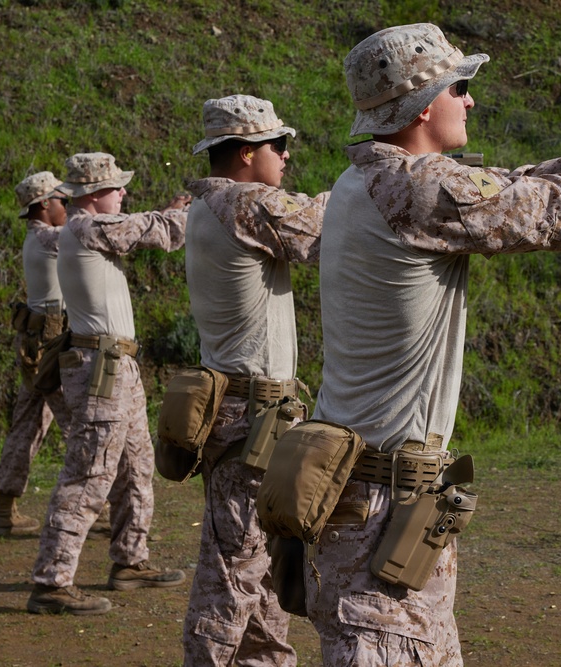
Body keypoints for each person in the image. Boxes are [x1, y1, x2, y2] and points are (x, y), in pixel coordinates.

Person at [305, 23, 561, 664]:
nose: (470, 100)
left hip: (381, 498)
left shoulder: (371, 180)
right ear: (424, 106)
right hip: (382, 509)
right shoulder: (419, 189)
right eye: (460, 87)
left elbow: (526, 179)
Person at [181, 94, 327, 666]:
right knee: (234, 572)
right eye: (278, 145)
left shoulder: (208, 205)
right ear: (245, 154)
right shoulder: (246, 204)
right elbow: (335, 226)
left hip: (248, 410)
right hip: (254, 415)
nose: (287, 157)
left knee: (258, 568)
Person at [27, 152, 191, 615]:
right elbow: (160, 233)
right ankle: (51, 581)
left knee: (136, 465)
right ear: (94, 194)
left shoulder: (91, 231)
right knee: (89, 473)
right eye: (116, 187)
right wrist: (182, 211)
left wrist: (173, 210)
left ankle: (130, 561)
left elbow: (143, 225)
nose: (123, 193)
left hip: (118, 364)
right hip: (102, 367)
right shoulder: (83, 227)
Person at [0, 171, 73, 538]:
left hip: (37, 344)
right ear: (43, 205)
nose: (67, 207)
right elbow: (89, 233)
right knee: (83, 425)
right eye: (62, 201)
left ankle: (4, 510)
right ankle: (99, 507)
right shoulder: (49, 238)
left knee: (26, 426)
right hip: (51, 346)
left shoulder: (38, 238)